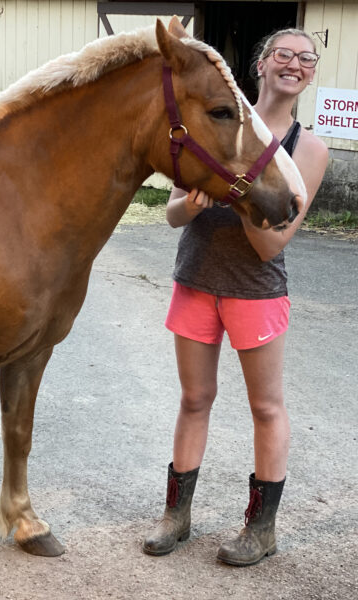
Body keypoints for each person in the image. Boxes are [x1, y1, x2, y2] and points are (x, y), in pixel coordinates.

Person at [143, 29, 329, 565]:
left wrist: (241, 188)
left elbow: (272, 245)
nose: (293, 63)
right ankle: (176, 516)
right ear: (261, 64)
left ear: (310, 73)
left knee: (266, 406)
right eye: (283, 54)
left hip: (256, 291)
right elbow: (174, 211)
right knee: (194, 399)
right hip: (195, 278)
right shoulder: (220, 118)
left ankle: (261, 529)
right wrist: (195, 206)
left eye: (305, 57)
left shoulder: (307, 151)